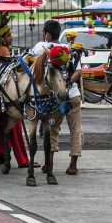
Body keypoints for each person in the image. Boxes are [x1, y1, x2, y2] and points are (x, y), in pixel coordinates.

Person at [31, 19, 83, 176]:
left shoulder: (41, 47)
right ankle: (73, 166)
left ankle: (50, 166)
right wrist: (67, 84)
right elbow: (78, 72)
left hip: (54, 98)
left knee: (52, 129)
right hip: (73, 95)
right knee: (76, 130)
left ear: (46, 34)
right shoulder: (69, 49)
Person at [0, 21, 30, 169]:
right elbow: (8, 73)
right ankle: (18, 158)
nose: (11, 38)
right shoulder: (3, 50)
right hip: (1, 91)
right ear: (2, 38)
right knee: (14, 125)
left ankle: (2, 155)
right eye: (8, 36)